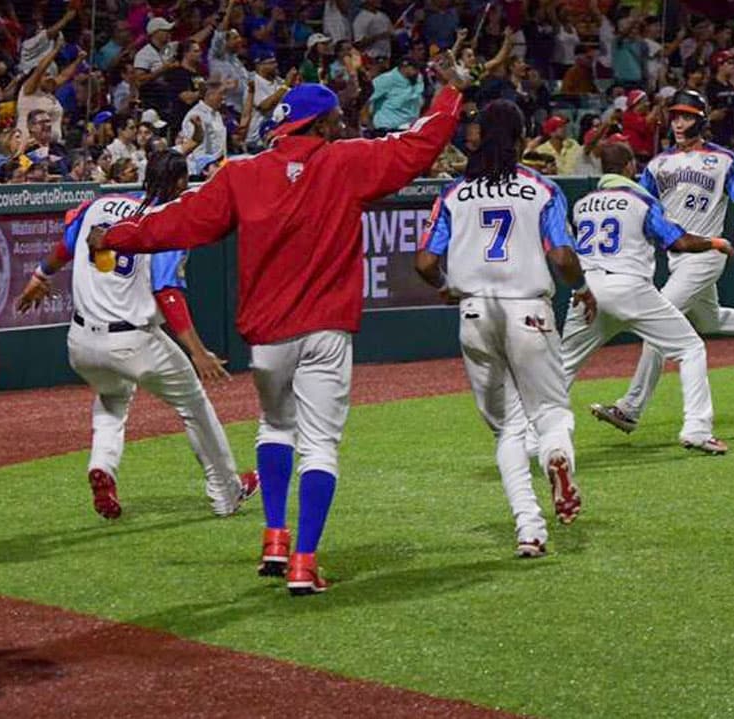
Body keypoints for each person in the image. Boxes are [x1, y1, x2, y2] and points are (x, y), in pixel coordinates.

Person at [92, 54, 467, 595]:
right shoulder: (345, 161)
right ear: (321, 124)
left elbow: (178, 220)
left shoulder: (243, 173)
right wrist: (450, 92)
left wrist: (116, 236)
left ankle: (274, 536)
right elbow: (418, 145)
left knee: (274, 427)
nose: (341, 126)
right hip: (326, 330)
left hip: (269, 335)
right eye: (335, 120)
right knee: (320, 446)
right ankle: (304, 561)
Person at [16, 150, 259, 519]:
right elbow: (167, 290)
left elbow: (65, 246)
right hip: (132, 341)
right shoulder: (167, 221)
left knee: (113, 397)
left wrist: (39, 275)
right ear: (181, 182)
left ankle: (102, 466)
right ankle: (227, 490)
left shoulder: (101, 204)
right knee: (193, 404)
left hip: (81, 342)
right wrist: (196, 351)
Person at [414, 99, 586, 559]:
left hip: (474, 312)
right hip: (528, 309)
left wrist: (446, 286)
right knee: (551, 413)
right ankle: (556, 456)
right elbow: (562, 256)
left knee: (508, 429)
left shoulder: (454, 194)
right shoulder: (542, 189)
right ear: (521, 138)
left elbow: (425, 261)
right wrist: (583, 286)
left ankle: (529, 529)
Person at [590, 90, 734, 452]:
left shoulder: (723, 159)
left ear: (701, 119)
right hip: (678, 257)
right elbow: (639, 205)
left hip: (707, 252)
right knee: (709, 319)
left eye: (686, 116)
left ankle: (630, 408)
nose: (679, 123)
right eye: (675, 116)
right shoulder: (657, 165)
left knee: (659, 321)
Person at [561, 141, 734, 458]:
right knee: (690, 349)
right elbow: (679, 241)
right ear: (629, 166)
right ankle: (697, 429)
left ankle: (527, 435)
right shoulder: (641, 200)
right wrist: (715, 242)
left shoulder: (582, 204)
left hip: (587, 290)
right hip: (629, 287)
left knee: (561, 367)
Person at [368, 57, 423, 134]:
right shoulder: (386, 79)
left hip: (410, 127)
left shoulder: (418, 78)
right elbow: (367, 98)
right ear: (404, 67)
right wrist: (368, 123)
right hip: (388, 128)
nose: (417, 71)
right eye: (414, 68)